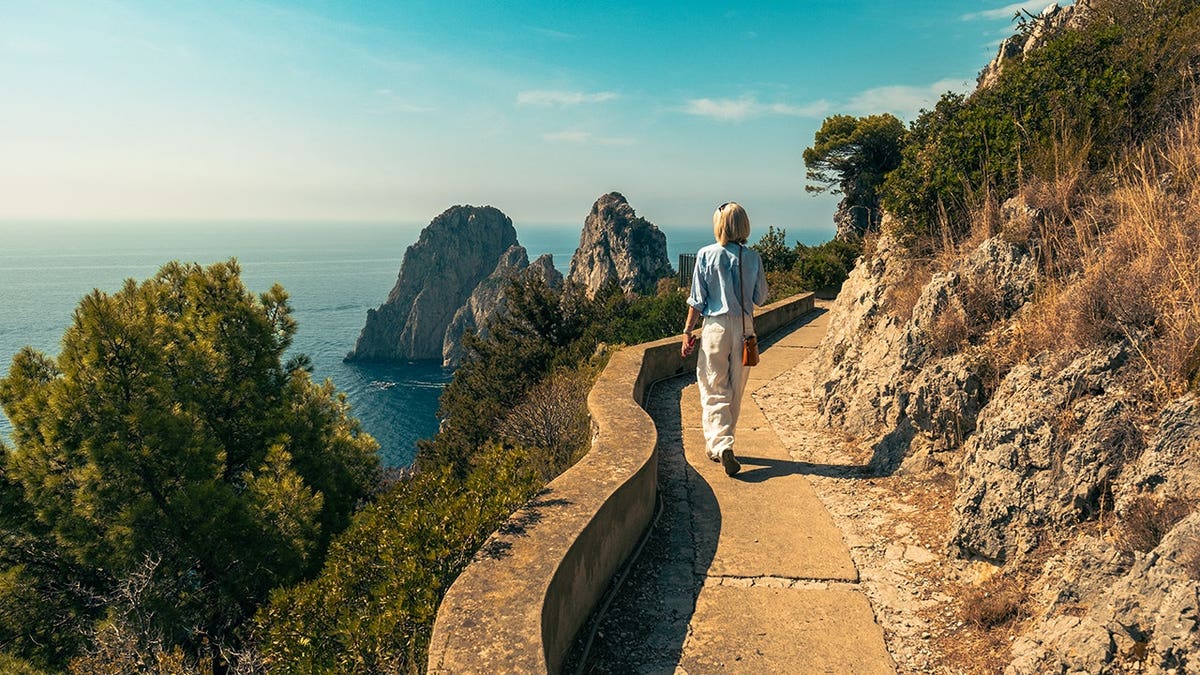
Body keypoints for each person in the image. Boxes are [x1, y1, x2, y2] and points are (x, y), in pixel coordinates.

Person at [681, 201, 768, 477]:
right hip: (744, 328)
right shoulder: (753, 258)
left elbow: (697, 300)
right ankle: (722, 444)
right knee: (735, 388)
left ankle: (720, 445)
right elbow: (761, 298)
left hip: (715, 328)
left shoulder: (706, 255)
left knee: (712, 387)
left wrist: (687, 332)